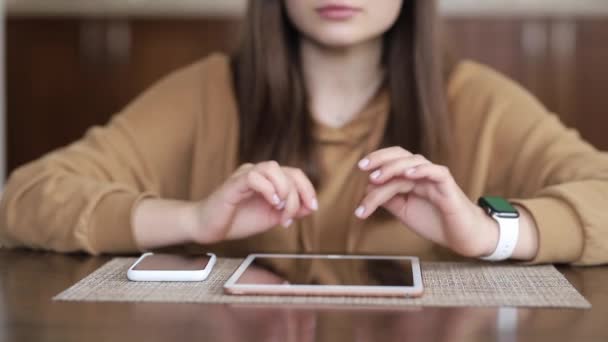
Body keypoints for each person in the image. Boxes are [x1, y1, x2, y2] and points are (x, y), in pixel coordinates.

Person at [1, 0, 607, 265]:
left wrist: (487, 232)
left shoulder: (477, 98)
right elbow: (23, 199)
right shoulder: (204, 92)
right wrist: (190, 221)